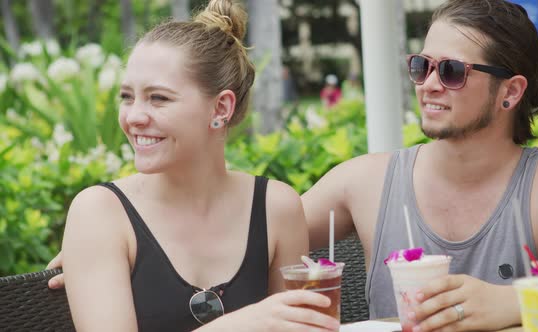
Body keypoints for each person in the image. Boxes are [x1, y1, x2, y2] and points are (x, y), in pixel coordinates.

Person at [50, 1, 339, 331]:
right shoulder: (101, 214)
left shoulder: (276, 208)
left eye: (158, 98)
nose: (134, 117)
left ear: (221, 107)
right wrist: (240, 325)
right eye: (127, 97)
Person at [303, 0, 538, 331]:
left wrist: (510, 301)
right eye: (421, 66)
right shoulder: (362, 182)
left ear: (510, 91)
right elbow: (257, 237)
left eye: (452, 71)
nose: (429, 84)